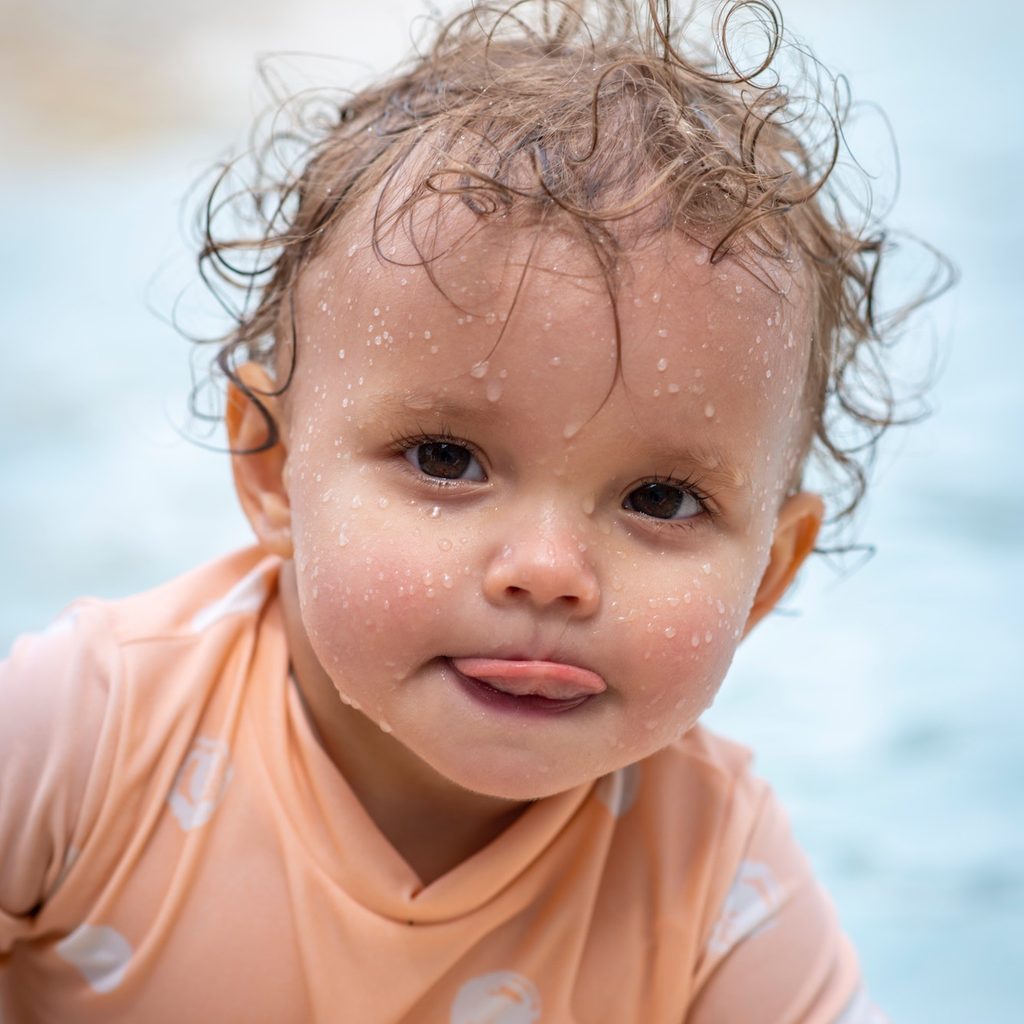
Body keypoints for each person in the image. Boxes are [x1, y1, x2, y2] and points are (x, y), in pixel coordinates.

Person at [0, 1, 939, 1020]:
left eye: (660, 498)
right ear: (272, 471)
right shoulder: (88, 734)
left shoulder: (718, 885)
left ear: (766, 573)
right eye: (446, 459)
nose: (548, 569)